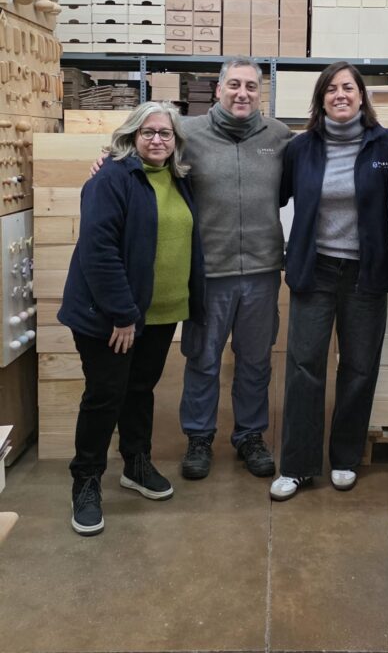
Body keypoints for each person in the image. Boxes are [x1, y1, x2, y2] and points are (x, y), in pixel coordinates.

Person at [269, 62, 388, 501]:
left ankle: (345, 458)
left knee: (359, 368)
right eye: (331, 88)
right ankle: (297, 465)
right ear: (321, 99)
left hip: (365, 275)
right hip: (314, 270)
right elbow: (271, 193)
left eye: (348, 87)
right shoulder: (301, 148)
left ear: (361, 95)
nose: (340, 95)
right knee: (304, 366)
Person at [58, 102, 205, 536]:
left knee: (140, 389)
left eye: (165, 133)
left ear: (176, 141)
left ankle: (136, 464)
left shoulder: (179, 178)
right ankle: (86, 482)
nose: (157, 139)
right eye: (148, 132)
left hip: (160, 313)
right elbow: (98, 251)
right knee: (105, 395)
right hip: (111, 315)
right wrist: (123, 314)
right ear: (131, 136)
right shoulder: (111, 178)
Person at [179, 57, 291, 480]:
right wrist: (106, 156)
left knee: (255, 361)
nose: (242, 93)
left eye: (251, 86)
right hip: (209, 272)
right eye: (234, 85)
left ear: (260, 93)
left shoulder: (278, 136)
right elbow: (142, 151)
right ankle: (199, 437)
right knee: (203, 359)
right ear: (219, 89)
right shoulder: (186, 133)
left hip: (262, 271)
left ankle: (250, 435)